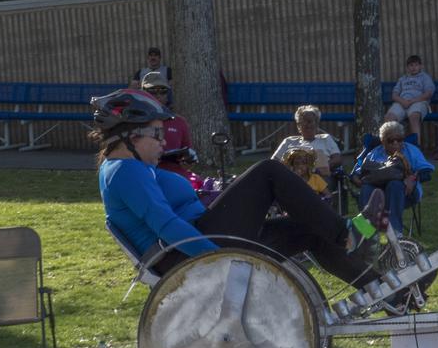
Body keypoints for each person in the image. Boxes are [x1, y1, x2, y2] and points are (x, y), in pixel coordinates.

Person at [93, 90, 386, 291]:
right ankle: (347, 233)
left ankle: (384, 289)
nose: (163, 142)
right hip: (194, 253)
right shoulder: (124, 171)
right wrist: (216, 261)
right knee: (268, 172)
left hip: (202, 240)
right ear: (130, 135)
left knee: (308, 228)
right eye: (157, 134)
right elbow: (166, 225)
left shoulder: (134, 168)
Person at [353, 121, 434, 237]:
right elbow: (358, 171)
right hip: (378, 194)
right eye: (391, 140)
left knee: (395, 184)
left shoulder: (411, 150)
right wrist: (357, 179)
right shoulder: (375, 152)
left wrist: (413, 178)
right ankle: (366, 233)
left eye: (399, 139)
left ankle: (395, 233)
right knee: (366, 188)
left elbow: (426, 172)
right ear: (383, 141)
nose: (395, 143)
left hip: (406, 193)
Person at [141, 71, 197, 183]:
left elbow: (188, 157)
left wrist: (188, 161)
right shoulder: (135, 122)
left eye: (163, 91)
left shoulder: (179, 121)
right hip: (148, 179)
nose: (158, 96)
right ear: (143, 94)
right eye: (153, 91)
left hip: (177, 180)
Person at [271, 105, 343, 181]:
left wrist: (319, 168)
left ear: (317, 124)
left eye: (310, 121)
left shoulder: (326, 139)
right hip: (292, 178)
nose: (307, 125)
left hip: (319, 179)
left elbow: (337, 159)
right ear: (298, 126)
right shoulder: (288, 141)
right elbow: (273, 162)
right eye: (303, 122)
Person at [385, 55, 436, 138]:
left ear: (420, 66)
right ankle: (393, 145)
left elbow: (428, 94)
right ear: (407, 68)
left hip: (419, 102)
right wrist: (403, 101)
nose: (413, 67)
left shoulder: (425, 77)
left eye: (416, 65)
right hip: (402, 103)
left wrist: (411, 101)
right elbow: (394, 95)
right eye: (411, 65)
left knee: (414, 116)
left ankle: (416, 147)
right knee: (389, 118)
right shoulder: (402, 79)